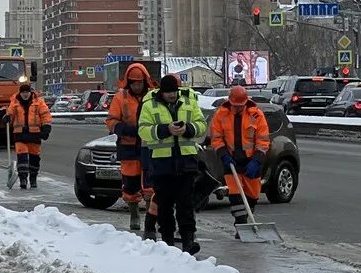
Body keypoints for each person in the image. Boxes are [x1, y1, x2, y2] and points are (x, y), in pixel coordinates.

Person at [139, 73, 206, 253]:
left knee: (186, 204)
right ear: (162, 91)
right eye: (168, 92)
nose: (172, 95)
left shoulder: (188, 102)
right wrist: (165, 129)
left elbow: (202, 125)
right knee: (165, 205)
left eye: (174, 92)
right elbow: (143, 131)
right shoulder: (149, 105)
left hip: (186, 161)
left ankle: (188, 241)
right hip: (162, 163)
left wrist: (188, 129)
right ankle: (168, 242)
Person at [208, 83, 272, 232]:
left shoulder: (256, 115)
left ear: (245, 103)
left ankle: (246, 220)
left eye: (240, 106)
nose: (237, 108)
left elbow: (263, 140)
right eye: (235, 106)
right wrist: (223, 154)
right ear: (230, 102)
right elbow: (216, 138)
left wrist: (257, 160)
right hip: (231, 161)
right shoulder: (221, 114)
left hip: (251, 161)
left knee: (253, 195)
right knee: (236, 196)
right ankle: (241, 225)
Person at [105, 63, 155, 235]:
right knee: (130, 184)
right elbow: (111, 121)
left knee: (150, 184)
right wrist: (125, 129)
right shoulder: (121, 97)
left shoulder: (152, 96)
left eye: (139, 82)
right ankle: (134, 214)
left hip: (149, 146)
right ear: (128, 82)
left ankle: (151, 217)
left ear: (145, 81)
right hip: (128, 145)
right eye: (133, 82)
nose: (137, 85)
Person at [7, 79, 53, 188]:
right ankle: (23, 179)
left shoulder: (39, 103)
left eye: (27, 93)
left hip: (35, 135)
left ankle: (33, 178)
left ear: (30, 93)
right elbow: (10, 113)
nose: (25, 95)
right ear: (20, 93)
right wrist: (7, 117)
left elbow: (45, 116)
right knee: (22, 158)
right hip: (20, 135)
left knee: (34, 159)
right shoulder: (15, 103)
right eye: (23, 93)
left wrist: (46, 128)